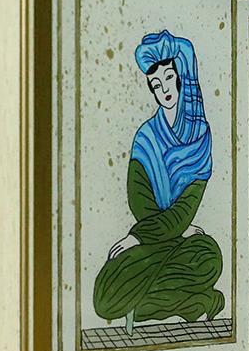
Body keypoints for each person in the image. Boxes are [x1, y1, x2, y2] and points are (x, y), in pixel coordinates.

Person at [93, 31, 224, 333]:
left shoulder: (200, 139)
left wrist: (147, 235)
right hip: (156, 238)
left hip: (166, 240)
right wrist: (161, 232)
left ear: (181, 77)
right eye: (156, 84)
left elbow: (185, 209)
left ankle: (140, 308)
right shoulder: (146, 137)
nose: (164, 89)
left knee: (209, 256)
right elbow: (140, 203)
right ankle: (199, 302)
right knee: (104, 297)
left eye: (168, 78)